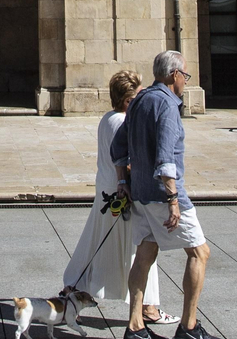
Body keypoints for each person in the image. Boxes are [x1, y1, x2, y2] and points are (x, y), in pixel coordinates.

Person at [109, 49, 221, 339]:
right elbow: (166, 156)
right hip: (163, 194)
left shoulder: (141, 99)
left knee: (145, 254)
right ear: (174, 75)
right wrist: (173, 199)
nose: (185, 81)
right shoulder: (167, 105)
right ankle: (189, 328)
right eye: (185, 75)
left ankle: (135, 328)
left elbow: (118, 146)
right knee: (200, 252)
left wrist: (123, 181)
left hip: (141, 193)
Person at [59, 69, 162, 322]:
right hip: (120, 192)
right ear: (127, 100)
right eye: (137, 96)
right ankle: (148, 307)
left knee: (96, 242)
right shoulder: (121, 122)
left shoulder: (107, 118)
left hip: (107, 190)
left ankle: (74, 286)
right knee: (141, 247)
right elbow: (125, 160)